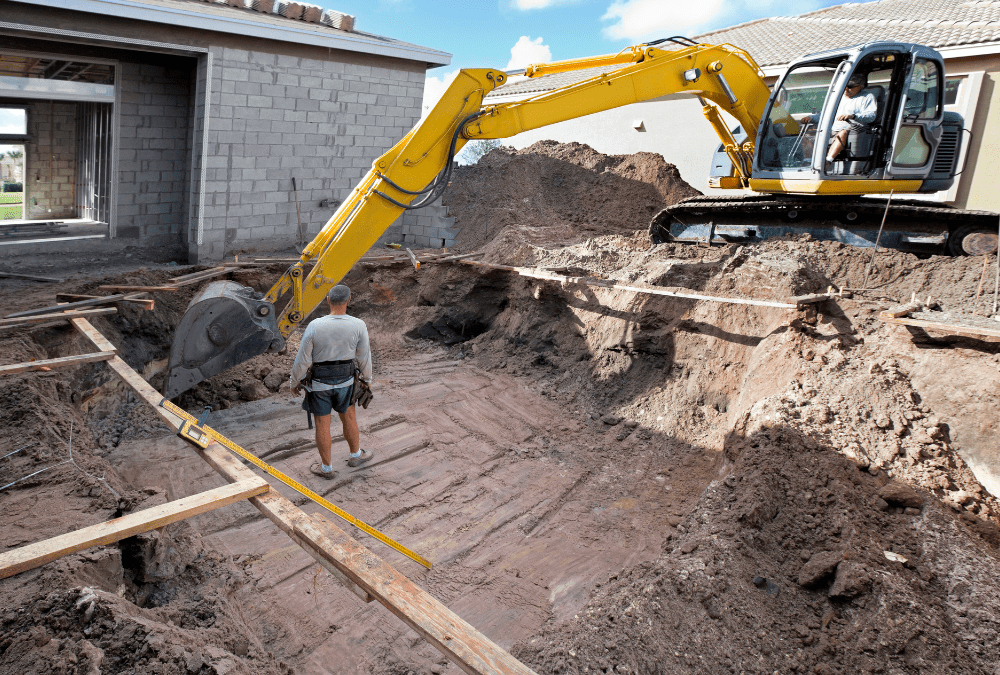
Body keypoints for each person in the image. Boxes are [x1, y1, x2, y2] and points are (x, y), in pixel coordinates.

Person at [290, 284, 374, 479]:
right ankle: (355, 455)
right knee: (349, 417)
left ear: (328, 300)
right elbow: (364, 357)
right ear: (349, 300)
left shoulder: (315, 325)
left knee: (322, 424)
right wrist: (367, 380)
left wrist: (294, 382)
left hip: (319, 383)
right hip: (346, 380)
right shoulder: (358, 325)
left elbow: (302, 359)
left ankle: (327, 469)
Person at [798, 74, 877, 167]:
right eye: (845, 86)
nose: (846, 89)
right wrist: (811, 118)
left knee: (843, 133)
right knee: (808, 135)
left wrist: (853, 116)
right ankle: (808, 161)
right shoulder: (838, 97)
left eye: (850, 87)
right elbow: (825, 114)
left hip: (854, 129)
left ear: (861, 86)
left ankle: (827, 161)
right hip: (832, 129)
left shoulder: (868, 97)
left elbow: (871, 116)